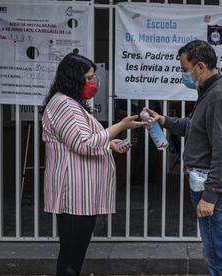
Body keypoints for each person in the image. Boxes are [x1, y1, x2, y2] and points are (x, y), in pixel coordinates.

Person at [41, 53, 146, 276]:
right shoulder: (64, 105)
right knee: (71, 257)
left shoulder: (70, 103)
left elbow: (80, 139)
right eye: (88, 78)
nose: (92, 83)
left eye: (93, 77)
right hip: (74, 194)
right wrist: (120, 126)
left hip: (82, 194)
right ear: (73, 78)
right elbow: (85, 144)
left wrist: (110, 144)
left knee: (74, 255)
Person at [145, 40, 222, 275]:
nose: (183, 74)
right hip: (210, 184)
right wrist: (164, 120)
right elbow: (195, 128)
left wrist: (209, 197)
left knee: (216, 254)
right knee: (213, 249)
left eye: (184, 68)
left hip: (214, 189)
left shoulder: (219, 97)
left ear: (200, 67)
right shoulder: (209, 91)